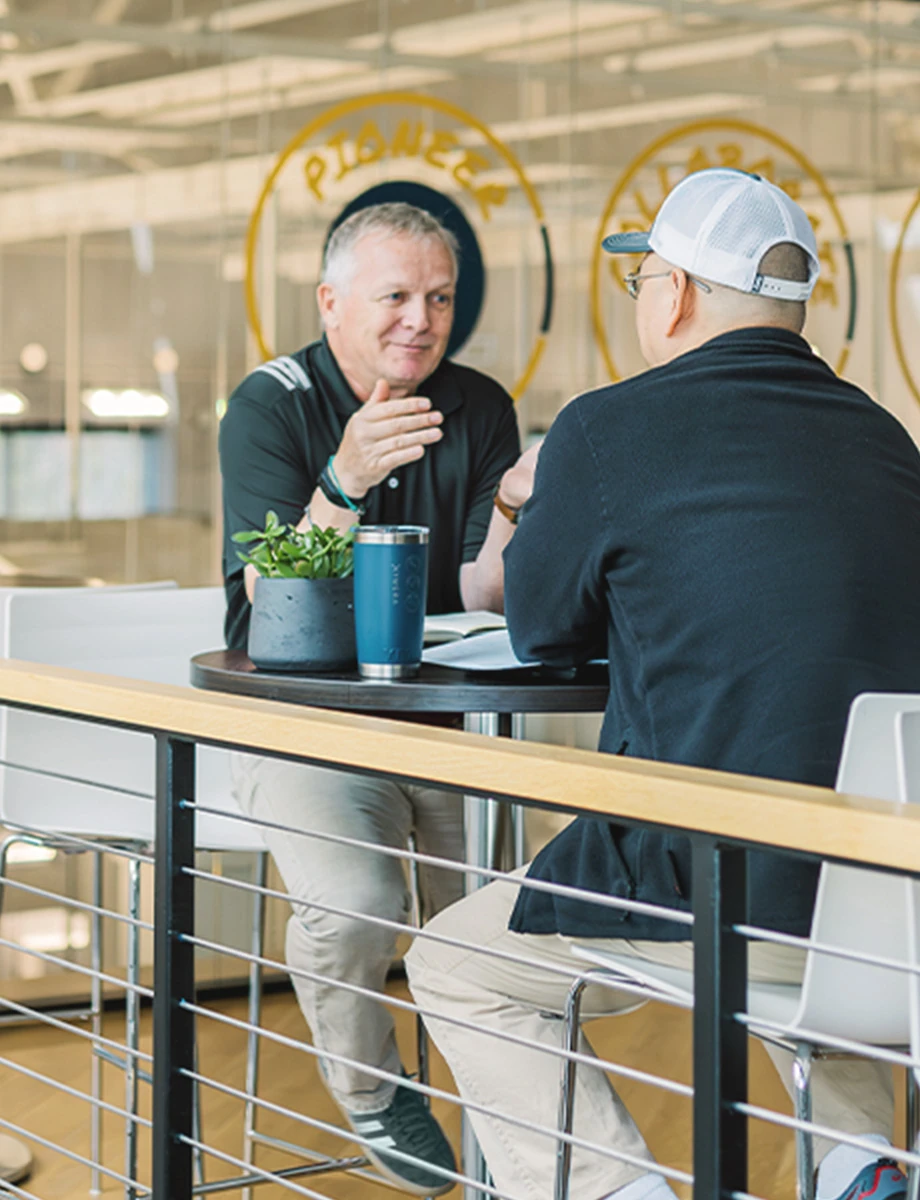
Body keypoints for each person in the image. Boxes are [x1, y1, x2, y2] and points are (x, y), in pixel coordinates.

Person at [406, 168, 920, 1200]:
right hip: (885, 901)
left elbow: (541, 624)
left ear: (673, 293)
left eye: (641, 279)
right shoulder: (885, 438)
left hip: (707, 883)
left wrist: (524, 504)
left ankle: (612, 1190)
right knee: (819, 927)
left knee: (454, 967)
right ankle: (861, 1167)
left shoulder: (607, 429)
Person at [219, 202, 532, 1195]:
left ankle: (515, 1121)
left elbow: (484, 595)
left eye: (436, 298)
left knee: (491, 923)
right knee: (357, 903)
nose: (419, 320)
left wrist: (518, 518)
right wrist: (345, 479)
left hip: (445, 717)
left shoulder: (476, 405)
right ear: (330, 302)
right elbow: (272, 596)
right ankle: (368, 1091)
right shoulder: (270, 405)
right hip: (302, 721)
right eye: (394, 295)